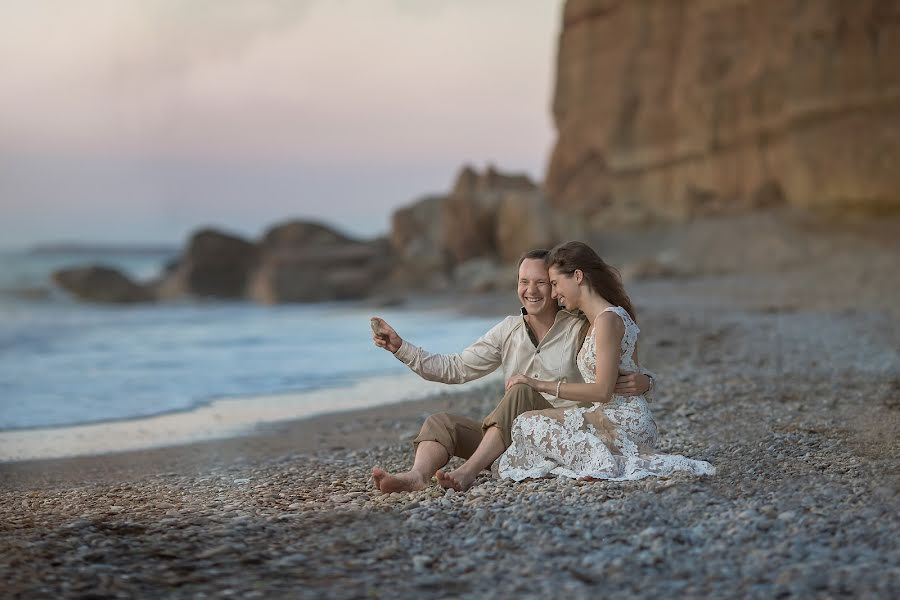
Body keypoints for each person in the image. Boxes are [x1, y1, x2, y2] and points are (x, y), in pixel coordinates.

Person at [370, 249, 655, 493]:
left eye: (541, 282)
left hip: (566, 434)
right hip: (508, 435)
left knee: (521, 391)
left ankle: (468, 472)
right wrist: (400, 348)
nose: (530, 290)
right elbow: (454, 368)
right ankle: (417, 476)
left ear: (556, 287)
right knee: (440, 422)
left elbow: (616, 367)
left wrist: (646, 382)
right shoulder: (507, 330)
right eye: (523, 281)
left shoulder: (580, 326)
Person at [497, 241, 715, 481]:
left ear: (577, 276)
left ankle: (601, 462)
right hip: (607, 416)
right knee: (526, 424)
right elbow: (633, 370)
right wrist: (648, 381)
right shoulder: (599, 320)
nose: (555, 293)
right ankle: (602, 458)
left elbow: (602, 391)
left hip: (624, 420)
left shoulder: (608, 320)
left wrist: (537, 384)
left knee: (528, 423)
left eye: (556, 284)